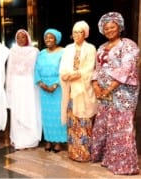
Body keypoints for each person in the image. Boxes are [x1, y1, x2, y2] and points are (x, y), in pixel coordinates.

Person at [90, 12, 140, 175]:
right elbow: (97, 69)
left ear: (120, 27)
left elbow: (127, 70)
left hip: (123, 93)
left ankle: (124, 164)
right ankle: (108, 159)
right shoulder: (102, 47)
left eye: (112, 27)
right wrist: (96, 86)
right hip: (104, 95)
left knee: (121, 128)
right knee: (107, 126)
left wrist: (108, 89)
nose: (109, 30)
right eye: (106, 28)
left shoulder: (128, 45)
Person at [59, 21, 98, 162]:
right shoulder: (68, 48)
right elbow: (63, 67)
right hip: (70, 92)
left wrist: (76, 74)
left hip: (84, 91)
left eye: (80, 32)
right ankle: (73, 152)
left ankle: (85, 153)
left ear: (85, 33)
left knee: (84, 121)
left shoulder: (91, 48)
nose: (76, 35)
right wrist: (64, 75)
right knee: (72, 121)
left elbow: (89, 69)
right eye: (74, 32)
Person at [6, 29, 41, 150]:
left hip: (29, 85)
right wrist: (9, 87)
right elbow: (9, 70)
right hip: (16, 85)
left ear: (27, 38)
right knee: (17, 111)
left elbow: (37, 69)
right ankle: (17, 139)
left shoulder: (34, 51)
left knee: (29, 109)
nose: (21, 40)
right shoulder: (12, 51)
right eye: (18, 37)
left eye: (23, 37)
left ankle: (30, 139)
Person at [34, 28, 67, 153]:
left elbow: (65, 69)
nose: (48, 39)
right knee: (46, 116)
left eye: (51, 37)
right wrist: (41, 84)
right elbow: (36, 70)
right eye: (46, 37)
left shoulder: (63, 52)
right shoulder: (41, 53)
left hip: (58, 88)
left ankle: (58, 142)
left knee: (58, 115)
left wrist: (55, 84)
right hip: (43, 89)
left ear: (56, 39)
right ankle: (48, 140)